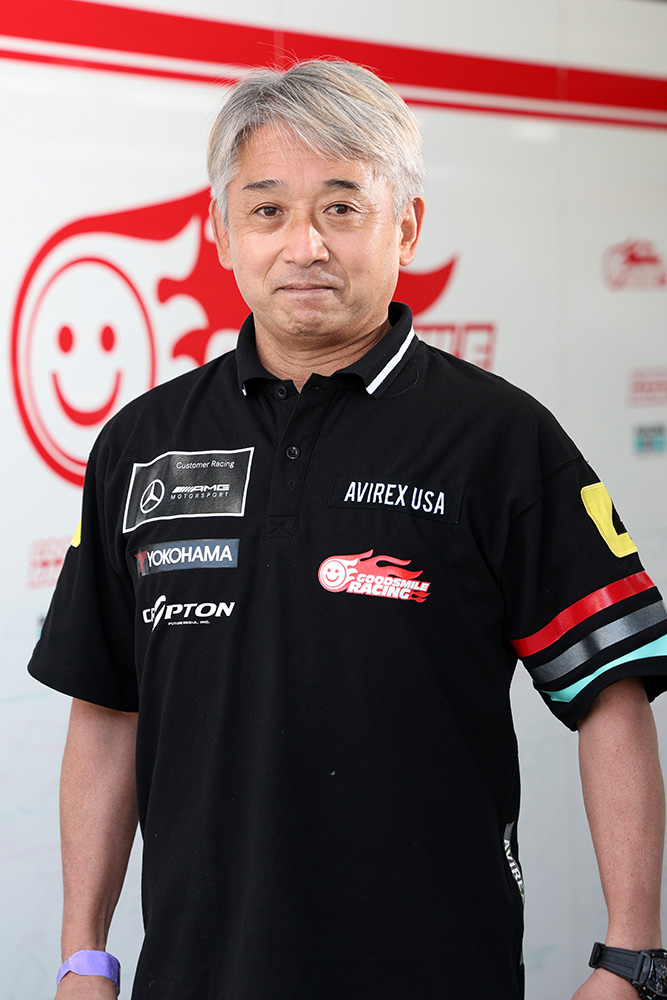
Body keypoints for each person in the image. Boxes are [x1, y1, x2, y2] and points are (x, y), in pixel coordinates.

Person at [29, 60, 667, 1000]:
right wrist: (83, 952)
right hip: (199, 973)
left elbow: (610, 690)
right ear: (221, 231)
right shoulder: (141, 445)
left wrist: (631, 953)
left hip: (432, 971)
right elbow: (106, 707)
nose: (305, 246)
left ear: (404, 226)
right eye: (267, 210)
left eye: (341, 207)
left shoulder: (496, 437)